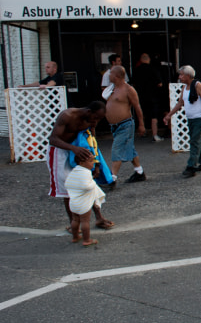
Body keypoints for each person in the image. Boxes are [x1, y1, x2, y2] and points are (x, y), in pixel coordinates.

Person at [47, 101, 114, 231]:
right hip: (60, 151)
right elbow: (53, 139)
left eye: (99, 119)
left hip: (78, 150)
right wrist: (73, 148)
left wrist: (96, 163)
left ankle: (99, 217)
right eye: (95, 118)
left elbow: (92, 141)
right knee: (68, 188)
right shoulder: (67, 116)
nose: (96, 122)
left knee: (88, 183)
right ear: (89, 112)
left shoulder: (91, 120)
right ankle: (74, 224)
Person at [163, 65, 201, 178]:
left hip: (199, 118)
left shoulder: (197, 85)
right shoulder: (184, 88)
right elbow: (180, 103)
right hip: (190, 119)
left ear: (188, 75)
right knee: (196, 140)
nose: (180, 77)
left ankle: (191, 167)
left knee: (195, 142)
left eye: (181, 75)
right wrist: (169, 115)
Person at [106, 65, 147, 183]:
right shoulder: (111, 88)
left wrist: (141, 124)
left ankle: (112, 178)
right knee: (129, 148)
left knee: (117, 149)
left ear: (117, 76)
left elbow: (137, 107)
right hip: (114, 126)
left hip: (125, 124)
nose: (109, 75)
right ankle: (139, 172)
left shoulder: (128, 89)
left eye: (111, 73)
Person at [66, 152, 106, 247]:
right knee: (85, 221)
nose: (92, 163)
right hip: (83, 203)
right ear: (81, 162)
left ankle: (75, 237)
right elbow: (86, 186)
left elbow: (67, 184)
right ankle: (87, 240)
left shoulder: (74, 171)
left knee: (75, 220)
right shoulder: (86, 172)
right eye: (90, 161)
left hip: (73, 202)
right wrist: (93, 182)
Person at [133, 53, 165, 142]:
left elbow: (133, 83)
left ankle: (142, 132)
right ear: (149, 60)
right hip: (152, 96)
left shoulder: (136, 70)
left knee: (141, 114)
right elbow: (160, 83)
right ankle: (155, 135)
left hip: (140, 96)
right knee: (154, 116)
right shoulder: (153, 69)